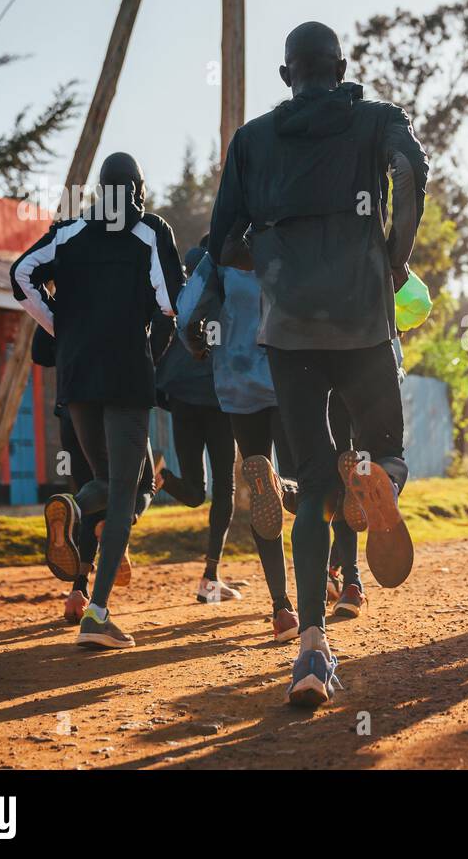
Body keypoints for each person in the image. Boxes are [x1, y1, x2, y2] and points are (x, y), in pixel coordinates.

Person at [207, 21, 427, 706]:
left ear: (286, 76)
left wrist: (271, 264)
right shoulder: (377, 120)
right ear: (341, 66)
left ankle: (310, 651)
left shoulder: (252, 140)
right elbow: (412, 172)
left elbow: (221, 240)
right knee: (386, 445)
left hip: (291, 332)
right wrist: (392, 258)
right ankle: (372, 475)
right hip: (362, 319)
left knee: (307, 484)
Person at [11, 152, 184, 649]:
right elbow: (173, 300)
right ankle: (98, 614)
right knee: (126, 491)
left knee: (109, 481)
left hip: (76, 378)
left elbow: (21, 275)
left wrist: (60, 326)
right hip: (127, 376)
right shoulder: (150, 230)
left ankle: (74, 505)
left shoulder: (69, 233)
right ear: (136, 188)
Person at [178, 239, 365, 642]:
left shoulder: (215, 254)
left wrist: (196, 344)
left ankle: (282, 609)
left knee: (258, 477)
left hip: (237, 387)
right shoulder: (282, 241)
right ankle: (321, 578)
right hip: (289, 380)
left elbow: (185, 312)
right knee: (314, 486)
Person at [31, 324, 149, 624]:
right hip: (118, 403)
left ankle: (77, 590)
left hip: (72, 410)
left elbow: (40, 354)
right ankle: (113, 531)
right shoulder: (126, 286)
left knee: (92, 489)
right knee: (141, 483)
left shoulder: (63, 301)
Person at [155, 241, 241, 605]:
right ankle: (210, 577)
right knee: (223, 490)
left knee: (193, 492)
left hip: (182, 397)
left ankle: (158, 475)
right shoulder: (231, 289)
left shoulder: (185, 291)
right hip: (218, 401)